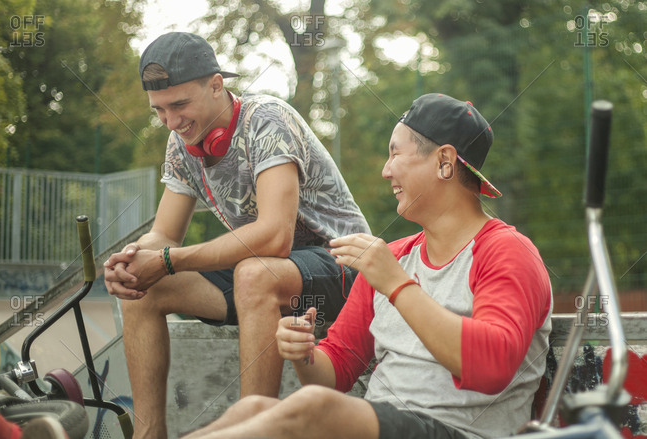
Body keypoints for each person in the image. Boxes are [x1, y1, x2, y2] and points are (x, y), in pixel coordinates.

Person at [182, 93, 553, 439]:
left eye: (395, 154)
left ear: (444, 162)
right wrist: (304, 353)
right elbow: (334, 375)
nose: (386, 171)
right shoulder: (393, 257)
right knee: (252, 408)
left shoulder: (506, 252)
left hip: (459, 432)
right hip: (384, 424)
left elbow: (491, 368)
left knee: (312, 408)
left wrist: (396, 283)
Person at [103, 32, 370, 439]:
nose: (172, 122)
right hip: (268, 272)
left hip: (343, 266)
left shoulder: (267, 119)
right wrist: (133, 260)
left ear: (216, 84)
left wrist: (169, 260)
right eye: (159, 110)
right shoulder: (181, 143)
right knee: (145, 288)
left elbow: (274, 236)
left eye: (179, 105)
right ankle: (148, 433)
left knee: (253, 272)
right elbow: (164, 235)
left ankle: (251, 430)